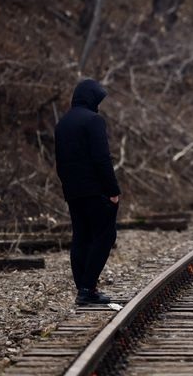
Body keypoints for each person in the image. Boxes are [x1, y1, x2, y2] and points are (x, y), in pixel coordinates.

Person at [54, 78, 121, 305]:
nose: (99, 105)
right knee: (105, 235)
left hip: (73, 191)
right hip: (96, 191)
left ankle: (83, 288)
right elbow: (102, 158)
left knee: (81, 237)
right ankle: (87, 287)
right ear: (91, 98)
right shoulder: (93, 121)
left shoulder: (62, 124)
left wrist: (68, 186)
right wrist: (112, 190)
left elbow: (59, 162)